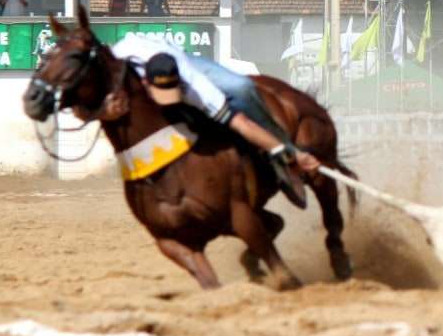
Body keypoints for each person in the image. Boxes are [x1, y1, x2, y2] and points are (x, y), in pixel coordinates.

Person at [110, 33, 320, 206]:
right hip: (142, 59)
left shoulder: (194, 84)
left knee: (242, 87)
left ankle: (281, 156)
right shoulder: (117, 60)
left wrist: (287, 151)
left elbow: (240, 123)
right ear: (144, 81)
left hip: (181, 58)